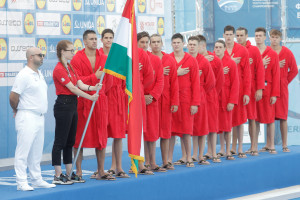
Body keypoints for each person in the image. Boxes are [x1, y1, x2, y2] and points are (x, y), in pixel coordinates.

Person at [51, 40, 101, 185]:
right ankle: (57, 174)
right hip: (63, 105)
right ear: (62, 52)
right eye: (70, 50)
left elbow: (79, 83)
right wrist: (90, 97)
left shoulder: (70, 67)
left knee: (70, 141)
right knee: (60, 141)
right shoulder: (59, 69)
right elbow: (72, 88)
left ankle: (68, 172)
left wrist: (92, 87)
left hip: (73, 105)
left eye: (73, 50)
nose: (73, 53)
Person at [9, 47, 56, 191]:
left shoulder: (39, 73)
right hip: (27, 116)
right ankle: (21, 182)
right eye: (40, 55)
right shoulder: (24, 75)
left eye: (43, 55)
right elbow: (13, 97)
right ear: (30, 57)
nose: (42, 57)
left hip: (39, 117)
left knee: (36, 152)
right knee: (23, 151)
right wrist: (17, 109)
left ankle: (36, 179)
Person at [71, 30, 114, 180]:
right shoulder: (77, 58)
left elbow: (109, 81)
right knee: (79, 138)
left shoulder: (104, 58)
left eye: (96, 39)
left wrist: (100, 93)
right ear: (84, 41)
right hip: (83, 101)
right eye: (91, 39)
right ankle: (78, 170)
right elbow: (77, 80)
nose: (95, 41)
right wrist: (93, 77)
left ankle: (101, 170)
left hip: (100, 101)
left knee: (101, 138)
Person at [99, 29, 129, 178]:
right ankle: (102, 169)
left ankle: (118, 166)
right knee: (102, 135)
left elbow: (125, 80)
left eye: (111, 38)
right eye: (106, 38)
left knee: (118, 135)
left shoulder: (120, 57)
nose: (109, 40)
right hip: (103, 98)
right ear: (102, 39)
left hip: (117, 99)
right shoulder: (98, 55)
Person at [169, 33, 201, 168]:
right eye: (174, 43)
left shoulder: (191, 60)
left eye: (178, 42)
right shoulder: (168, 59)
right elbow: (162, 78)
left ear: (183, 44)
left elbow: (196, 83)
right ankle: (168, 159)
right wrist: (176, 72)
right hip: (171, 100)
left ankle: (189, 156)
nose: (176, 45)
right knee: (170, 131)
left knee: (186, 130)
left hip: (186, 100)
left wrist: (195, 103)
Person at [150, 34, 179, 170]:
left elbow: (174, 82)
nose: (156, 44)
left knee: (166, 132)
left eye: (158, 42)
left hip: (166, 100)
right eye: (153, 42)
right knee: (151, 132)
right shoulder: (147, 59)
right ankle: (150, 161)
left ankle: (166, 160)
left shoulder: (169, 59)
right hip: (152, 100)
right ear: (150, 44)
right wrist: (159, 71)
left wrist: (175, 101)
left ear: (162, 43)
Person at [137, 31, 165, 172]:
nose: (144, 45)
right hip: (137, 101)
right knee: (139, 133)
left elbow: (160, 80)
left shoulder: (155, 60)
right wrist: (142, 97)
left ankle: (152, 162)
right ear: (136, 43)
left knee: (152, 133)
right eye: (142, 42)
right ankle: (140, 163)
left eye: (146, 42)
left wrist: (152, 96)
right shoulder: (131, 59)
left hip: (151, 102)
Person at [236, 27, 265, 156]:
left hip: (251, 88)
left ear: (247, 36)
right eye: (237, 35)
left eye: (241, 35)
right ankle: (235, 147)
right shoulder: (234, 50)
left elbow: (260, 70)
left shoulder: (253, 50)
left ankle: (254, 146)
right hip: (237, 89)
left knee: (252, 117)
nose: (239, 37)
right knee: (237, 119)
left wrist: (259, 88)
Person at [223, 25, 251, 158]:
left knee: (239, 120)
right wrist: (230, 61)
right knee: (227, 120)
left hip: (238, 90)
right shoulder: (220, 49)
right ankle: (228, 148)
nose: (228, 37)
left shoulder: (242, 50)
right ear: (223, 35)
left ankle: (239, 147)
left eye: (230, 34)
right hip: (223, 92)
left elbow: (247, 73)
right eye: (226, 34)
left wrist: (246, 93)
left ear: (233, 35)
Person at [187, 36, 215, 165]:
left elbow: (210, 82)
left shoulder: (204, 61)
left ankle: (201, 155)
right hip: (187, 97)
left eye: (194, 44)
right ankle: (190, 154)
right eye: (190, 44)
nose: (192, 47)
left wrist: (201, 90)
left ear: (199, 47)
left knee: (202, 127)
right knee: (189, 127)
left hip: (201, 97)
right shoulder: (185, 59)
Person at [270, 29, 298, 152]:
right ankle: (268, 144)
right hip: (269, 87)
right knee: (268, 117)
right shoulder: (266, 51)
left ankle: (284, 144)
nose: (274, 39)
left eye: (276, 37)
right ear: (269, 38)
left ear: (280, 39)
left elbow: (294, 70)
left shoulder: (286, 52)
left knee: (283, 117)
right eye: (272, 37)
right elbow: (260, 68)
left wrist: (285, 81)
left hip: (282, 88)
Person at [197, 35, 224, 162]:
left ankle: (213, 152)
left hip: (211, 96)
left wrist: (210, 93)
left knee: (212, 126)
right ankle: (197, 154)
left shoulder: (215, 60)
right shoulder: (194, 60)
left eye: (197, 46)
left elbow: (218, 81)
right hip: (198, 97)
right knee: (199, 126)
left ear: (202, 46)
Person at [255, 27, 280, 154]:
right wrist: (259, 61)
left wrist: (275, 94)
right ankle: (254, 146)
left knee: (269, 118)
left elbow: (276, 75)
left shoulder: (272, 53)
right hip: (255, 90)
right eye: (256, 35)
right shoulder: (252, 52)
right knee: (255, 118)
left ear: (265, 37)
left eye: (260, 35)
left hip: (268, 89)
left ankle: (271, 144)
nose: (258, 38)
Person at [214, 40, 239, 160]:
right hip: (215, 98)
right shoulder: (212, 62)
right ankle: (221, 149)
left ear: (224, 49)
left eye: (220, 47)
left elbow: (235, 83)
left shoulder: (231, 63)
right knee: (217, 125)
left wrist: (232, 101)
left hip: (226, 98)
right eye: (216, 47)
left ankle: (228, 150)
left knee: (227, 125)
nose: (217, 49)